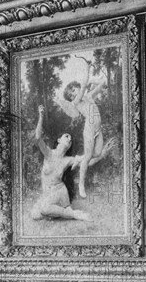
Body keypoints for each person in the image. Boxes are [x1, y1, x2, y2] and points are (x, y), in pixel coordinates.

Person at [31, 105, 115, 221]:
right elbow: (38, 137)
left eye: (70, 141)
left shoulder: (68, 160)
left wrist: (102, 154)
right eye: (67, 136)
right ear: (59, 140)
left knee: (44, 209)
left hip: (60, 191)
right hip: (48, 193)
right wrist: (41, 116)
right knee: (35, 215)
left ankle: (74, 214)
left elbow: (88, 161)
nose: (69, 139)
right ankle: (67, 212)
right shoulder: (48, 153)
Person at [56, 57, 107, 198]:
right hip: (89, 129)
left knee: (97, 154)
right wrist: (87, 68)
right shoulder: (77, 101)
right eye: (70, 94)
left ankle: (78, 159)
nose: (73, 93)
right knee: (89, 156)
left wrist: (93, 81)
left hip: (98, 129)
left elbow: (103, 83)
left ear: (75, 86)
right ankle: (81, 185)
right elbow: (84, 85)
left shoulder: (89, 96)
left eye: (73, 90)